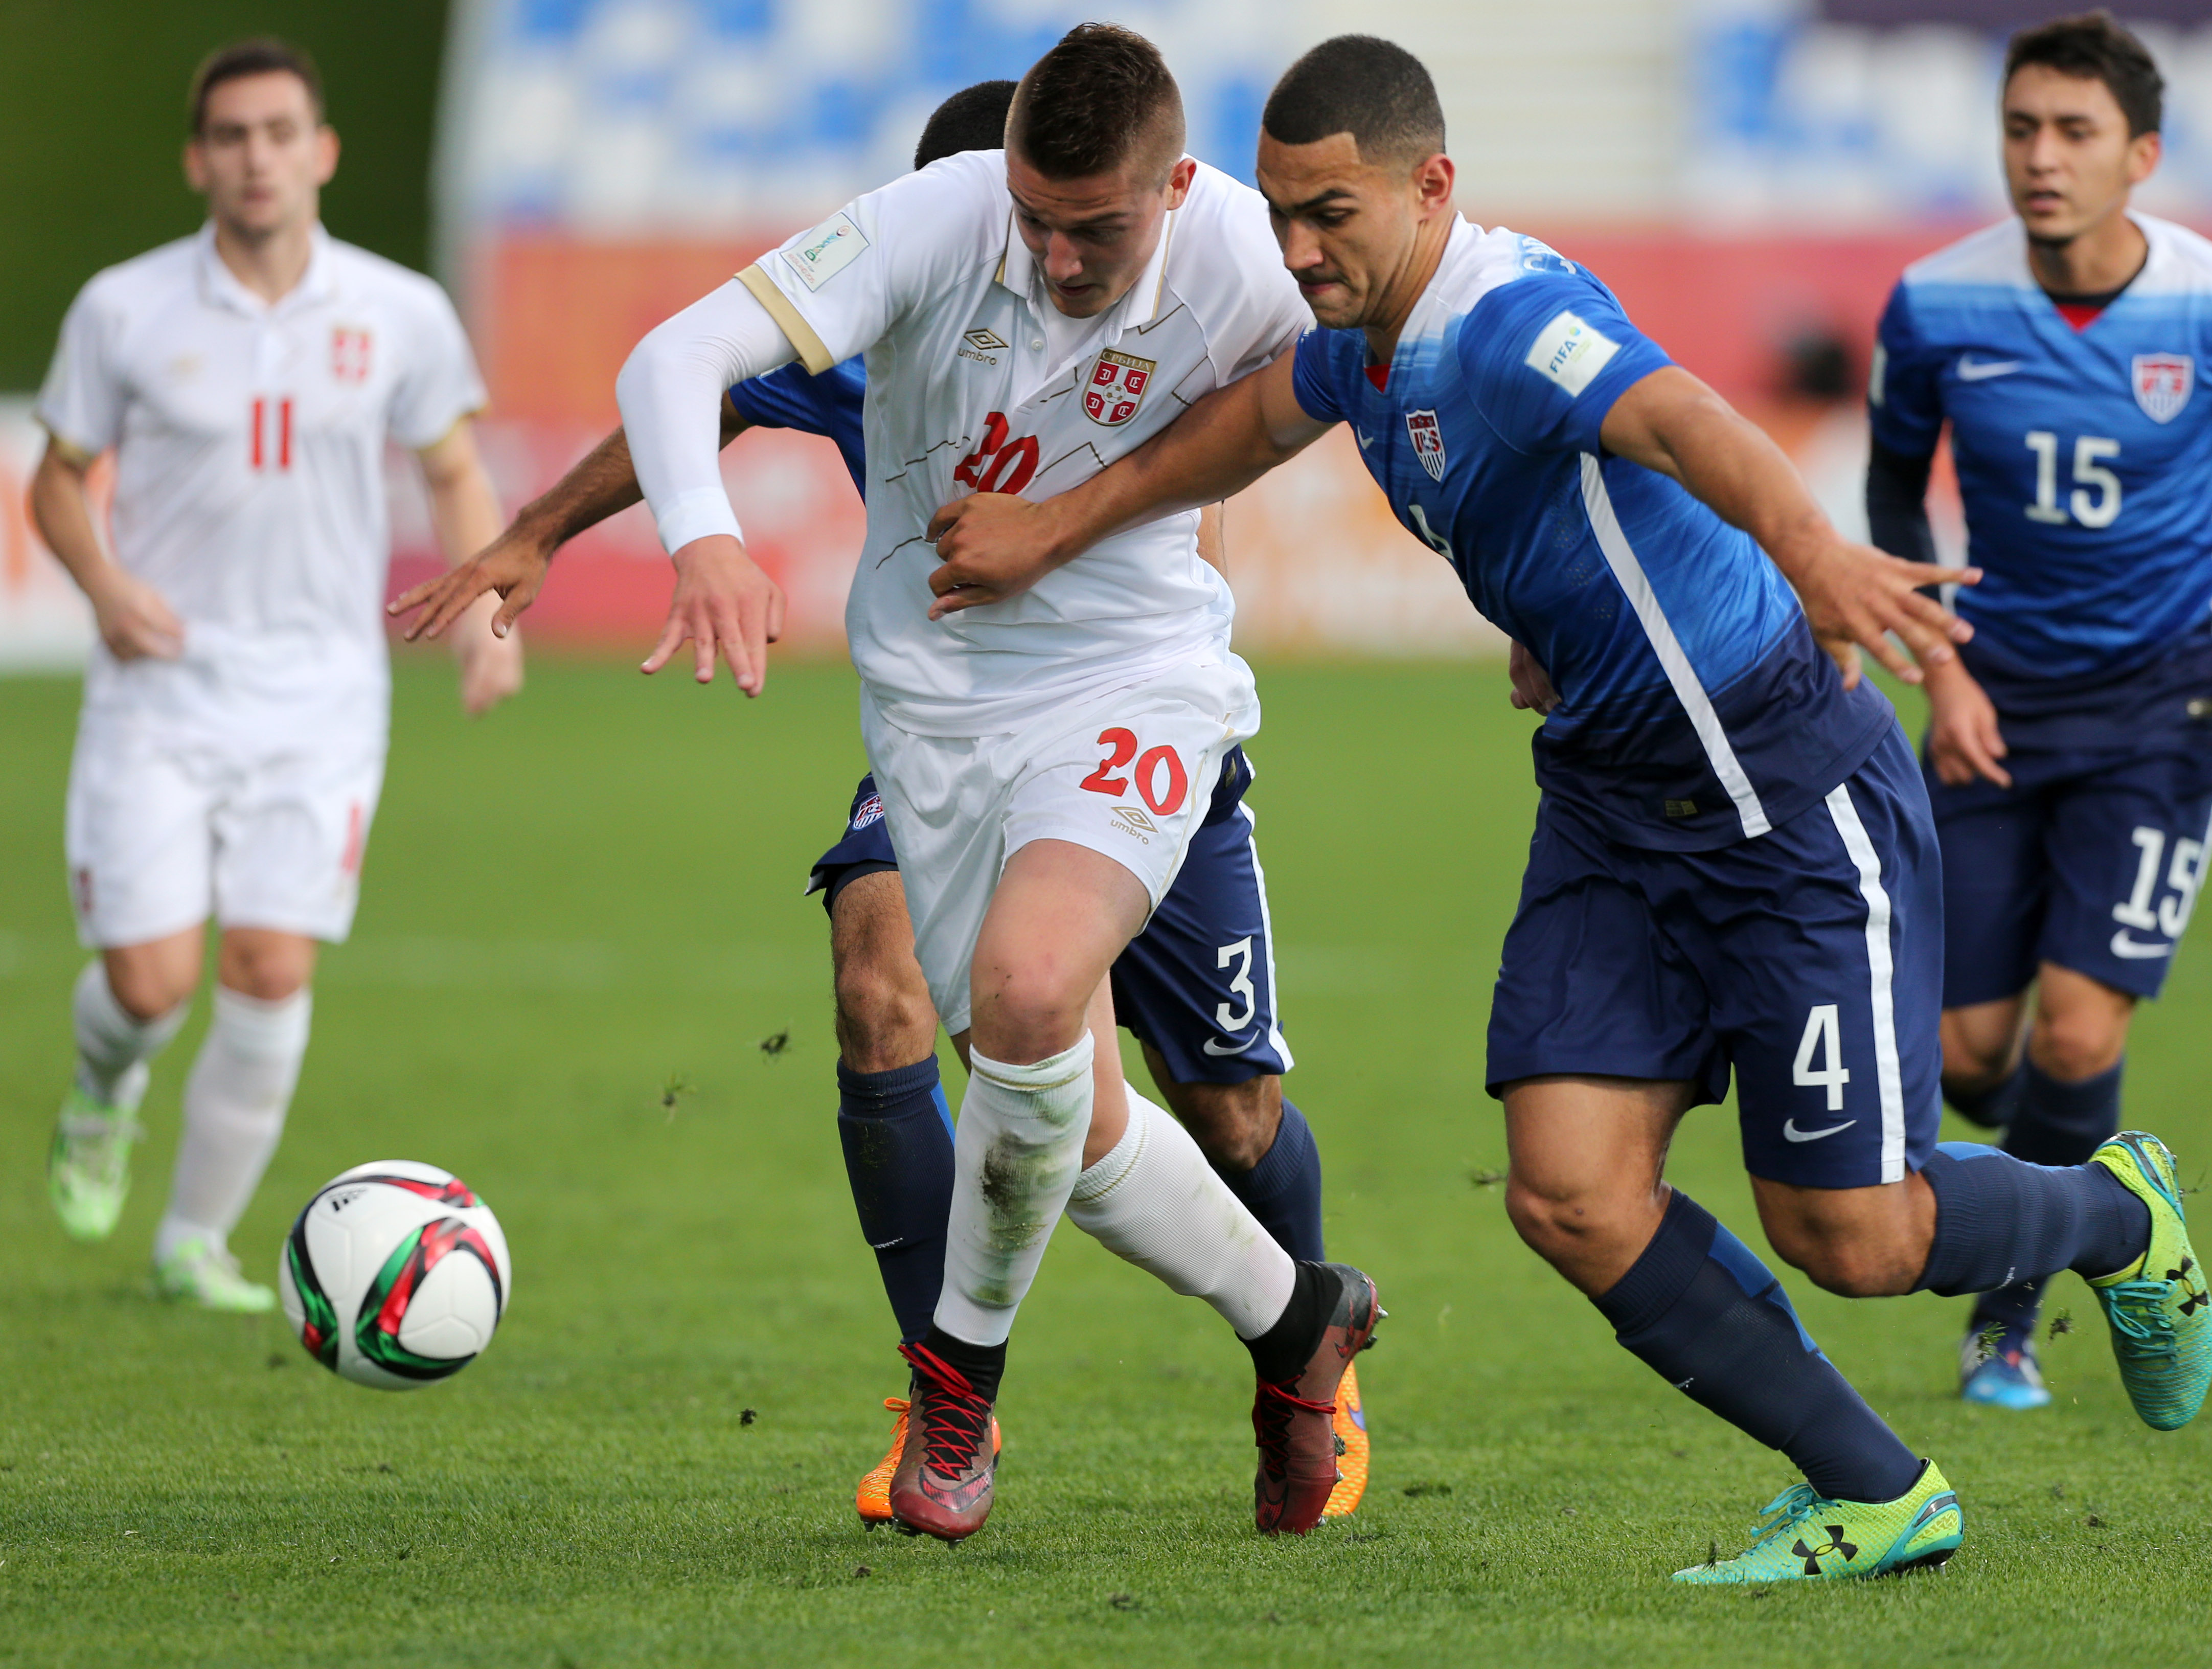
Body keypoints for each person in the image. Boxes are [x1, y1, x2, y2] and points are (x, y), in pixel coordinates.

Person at [927, 33, 2212, 1584]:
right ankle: (1879, 1491)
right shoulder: (1359, 346)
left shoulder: (1503, 321)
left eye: (1332, 212)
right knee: (1571, 1194)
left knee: (1856, 1235)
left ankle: (2119, 1217)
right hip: (1610, 803)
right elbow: (1254, 419)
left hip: (1775, 787)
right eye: (1279, 214)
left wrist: (1814, 553)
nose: (1300, 249)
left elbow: (1676, 418)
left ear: (1431, 186)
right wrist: (1054, 527)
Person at [394, 77, 1366, 1529]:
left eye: (1088, 227)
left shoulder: (1237, 255)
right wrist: (648, 536)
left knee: (1204, 1096)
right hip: (938, 717)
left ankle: (964, 1390)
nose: (1051, 258)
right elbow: (690, 372)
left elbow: (1405, 360)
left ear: (1164, 192)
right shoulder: (912, 265)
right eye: (1025, 221)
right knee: (1055, 1113)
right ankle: (1297, 1323)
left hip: (1139, 695)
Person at [1866, 12, 2212, 1411]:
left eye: (2074, 132)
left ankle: (2006, 1322)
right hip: (1993, 702)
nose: (2041, 158)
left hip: (2160, 705)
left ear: (2143, 155)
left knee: (2074, 1036)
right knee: (1964, 1055)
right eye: (2021, 129)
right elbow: (1892, 492)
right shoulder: (1933, 303)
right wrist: (1942, 669)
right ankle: (2109, 1184)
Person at [32, 39, 520, 1310]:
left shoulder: (399, 310)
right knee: (148, 986)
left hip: (321, 697)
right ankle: (103, 1088)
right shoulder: (124, 308)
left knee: (268, 966)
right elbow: (55, 481)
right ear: (200, 161)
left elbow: (452, 468)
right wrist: (106, 587)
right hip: (159, 689)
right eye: (233, 136)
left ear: (323, 152)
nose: (258, 157)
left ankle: (195, 1242)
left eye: (280, 132)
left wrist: (486, 612)